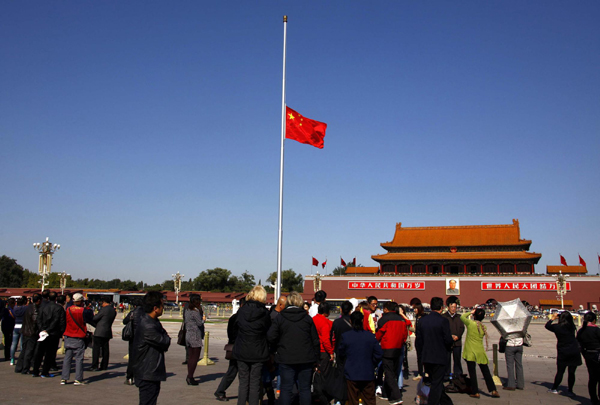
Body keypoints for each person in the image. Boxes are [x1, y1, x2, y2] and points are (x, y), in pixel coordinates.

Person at [268, 291, 320, 405]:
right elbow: (315, 340)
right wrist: (317, 359)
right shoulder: (307, 319)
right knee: (305, 389)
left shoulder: (280, 318)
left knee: (286, 388)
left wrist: (275, 349)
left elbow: (271, 337)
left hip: (286, 357)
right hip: (306, 358)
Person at [233, 285, 271, 405]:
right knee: (255, 382)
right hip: (258, 350)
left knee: (243, 382)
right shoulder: (264, 313)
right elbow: (268, 331)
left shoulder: (242, 311)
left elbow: (235, 327)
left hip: (242, 349)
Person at [132, 291, 171, 405]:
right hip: (147, 372)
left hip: (149, 371)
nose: (163, 308)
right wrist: (165, 337)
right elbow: (165, 341)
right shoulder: (148, 325)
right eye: (162, 305)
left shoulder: (152, 321)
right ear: (155, 308)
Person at [416, 297, 454, 405]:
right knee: (436, 384)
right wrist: (451, 341)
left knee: (435, 382)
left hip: (427, 357)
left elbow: (419, 340)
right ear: (442, 308)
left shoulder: (422, 321)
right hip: (439, 357)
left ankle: (447, 402)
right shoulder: (443, 321)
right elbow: (447, 340)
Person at [339, 311, 383, 405]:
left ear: (351, 321)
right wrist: (372, 363)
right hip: (367, 371)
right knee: (369, 399)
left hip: (351, 372)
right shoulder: (370, 336)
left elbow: (341, 353)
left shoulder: (346, 336)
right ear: (363, 320)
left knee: (352, 399)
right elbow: (379, 353)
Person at [376, 301, 410, 405]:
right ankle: (386, 394)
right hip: (399, 348)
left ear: (386, 309)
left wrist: (376, 342)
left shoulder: (384, 320)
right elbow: (405, 334)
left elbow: (379, 333)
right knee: (394, 371)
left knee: (389, 372)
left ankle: (396, 397)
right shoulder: (401, 319)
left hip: (387, 348)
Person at [461, 307, 499, 398]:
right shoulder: (483, 327)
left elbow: (462, 317)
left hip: (470, 351)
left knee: (472, 372)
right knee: (486, 372)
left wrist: (470, 312)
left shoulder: (470, 324)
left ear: (474, 316)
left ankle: (475, 392)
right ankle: (493, 390)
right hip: (480, 352)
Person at [214, 297, 245, 401]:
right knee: (239, 372)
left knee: (232, 371)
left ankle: (220, 391)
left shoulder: (233, 318)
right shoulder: (242, 318)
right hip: (240, 348)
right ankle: (243, 394)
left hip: (233, 346)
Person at [545, 311, 582, 395]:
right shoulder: (572, 326)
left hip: (563, 351)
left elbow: (547, 326)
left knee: (560, 371)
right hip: (574, 350)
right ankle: (570, 390)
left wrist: (553, 318)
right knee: (572, 372)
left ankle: (554, 388)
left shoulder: (557, 327)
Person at [61, 293, 94, 385]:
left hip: (68, 335)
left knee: (67, 357)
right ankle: (78, 378)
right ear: (80, 301)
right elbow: (90, 318)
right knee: (79, 358)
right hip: (79, 335)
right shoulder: (84, 311)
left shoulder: (68, 309)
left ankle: (64, 378)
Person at [33, 291, 66, 378]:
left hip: (42, 332)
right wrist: (62, 332)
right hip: (53, 333)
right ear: (56, 299)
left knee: (39, 352)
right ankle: (45, 372)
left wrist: (42, 329)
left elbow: (38, 319)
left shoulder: (42, 307)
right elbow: (60, 321)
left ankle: (35, 371)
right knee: (49, 353)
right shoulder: (59, 308)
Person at [313, 301, 334, 404]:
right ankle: (322, 396)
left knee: (315, 373)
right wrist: (331, 352)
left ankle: (316, 394)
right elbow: (326, 339)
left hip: (312, 350)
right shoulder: (327, 323)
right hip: (323, 351)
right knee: (324, 375)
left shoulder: (312, 320)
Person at [577, 312, 600, 404]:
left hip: (588, 356)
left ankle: (593, 399)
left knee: (592, 378)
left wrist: (584, 354)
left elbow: (578, 344)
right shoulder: (597, 330)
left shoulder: (581, 331)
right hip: (598, 355)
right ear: (594, 320)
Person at [15, 294, 41, 374]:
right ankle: (25, 368)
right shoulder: (34, 309)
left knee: (24, 350)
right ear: (39, 300)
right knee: (29, 351)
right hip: (31, 332)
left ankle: (19, 367)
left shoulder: (28, 307)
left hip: (25, 330)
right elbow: (35, 320)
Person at [90, 295, 117, 371]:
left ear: (104, 302)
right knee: (105, 349)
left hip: (99, 331)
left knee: (96, 349)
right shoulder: (113, 311)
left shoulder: (104, 309)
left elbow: (95, 318)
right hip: (107, 331)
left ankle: (95, 365)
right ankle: (104, 365)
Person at [183, 294, 205, 385]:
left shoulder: (187, 310)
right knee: (195, 358)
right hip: (195, 335)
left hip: (188, 334)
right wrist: (203, 319)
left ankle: (190, 375)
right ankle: (190, 376)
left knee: (190, 356)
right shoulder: (195, 311)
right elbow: (200, 323)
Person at [442, 297, 465, 380]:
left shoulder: (459, 317)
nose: (453, 309)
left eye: (455, 307)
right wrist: (449, 336)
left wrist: (457, 336)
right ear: (448, 307)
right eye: (452, 307)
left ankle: (458, 375)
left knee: (457, 359)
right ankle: (446, 375)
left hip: (457, 342)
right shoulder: (444, 317)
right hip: (447, 342)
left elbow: (461, 328)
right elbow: (443, 329)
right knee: (447, 359)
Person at [123, 300, 144, 386]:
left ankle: (130, 377)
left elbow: (125, 321)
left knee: (132, 358)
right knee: (142, 357)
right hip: (143, 337)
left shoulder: (132, 313)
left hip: (133, 337)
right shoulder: (145, 313)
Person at [409, 303, 428, 381]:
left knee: (425, 356)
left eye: (416, 309)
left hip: (425, 339)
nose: (414, 310)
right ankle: (420, 373)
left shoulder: (425, 317)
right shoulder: (417, 317)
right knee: (419, 357)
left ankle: (427, 372)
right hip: (418, 339)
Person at [11, 297, 27, 365]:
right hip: (23, 325)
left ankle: (12, 359)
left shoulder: (15, 308)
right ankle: (22, 359)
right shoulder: (25, 308)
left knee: (14, 343)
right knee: (22, 344)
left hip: (16, 325)